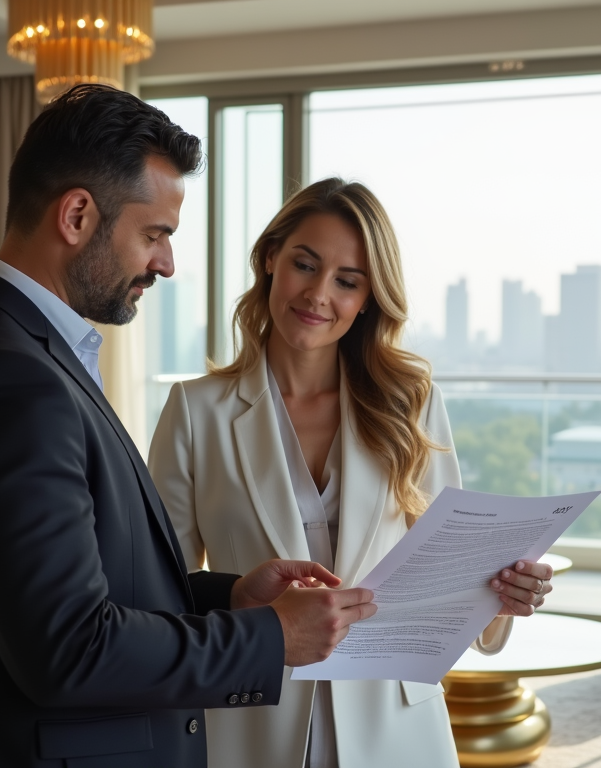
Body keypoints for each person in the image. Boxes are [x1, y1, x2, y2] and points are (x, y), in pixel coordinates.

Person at [0, 86, 376, 768]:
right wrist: (268, 639)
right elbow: (68, 649)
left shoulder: (20, 353)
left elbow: (85, 586)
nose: (167, 264)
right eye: (155, 235)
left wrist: (230, 597)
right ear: (79, 215)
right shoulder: (6, 380)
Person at [148, 178, 554, 768]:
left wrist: (504, 594)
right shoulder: (195, 410)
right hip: (252, 717)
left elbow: (451, 569)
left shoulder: (410, 402)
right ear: (270, 259)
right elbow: (162, 589)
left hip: (394, 719)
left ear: (368, 297)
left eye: (347, 280)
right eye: (304, 265)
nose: (318, 294)